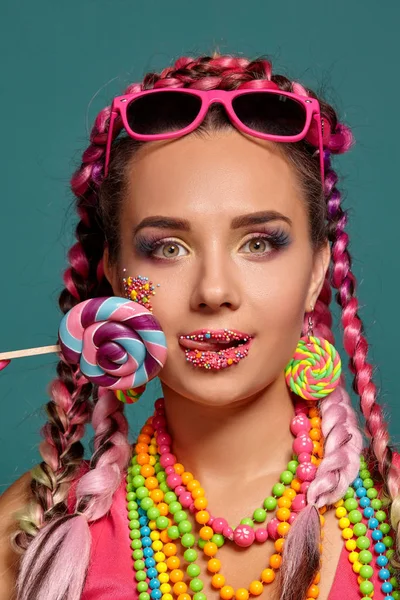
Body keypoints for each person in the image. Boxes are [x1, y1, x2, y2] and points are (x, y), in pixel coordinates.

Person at [0, 51, 399, 600]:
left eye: (259, 243)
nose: (214, 291)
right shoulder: (24, 534)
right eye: (167, 248)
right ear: (117, 280)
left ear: (315, 273)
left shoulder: (392, 511)